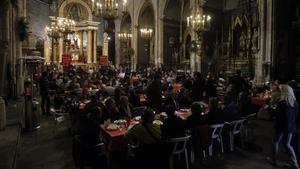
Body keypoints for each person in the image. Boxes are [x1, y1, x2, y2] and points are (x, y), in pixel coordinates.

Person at [269, 84, 299, 169]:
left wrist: (270, 109)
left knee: (275, 141)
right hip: (291, 127)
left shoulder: (282, 103)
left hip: (281, 126)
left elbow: (276, 115)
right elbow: (295, 115)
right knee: (288, 144)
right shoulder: (295, 103)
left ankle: (274, 160)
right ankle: (295, 164)